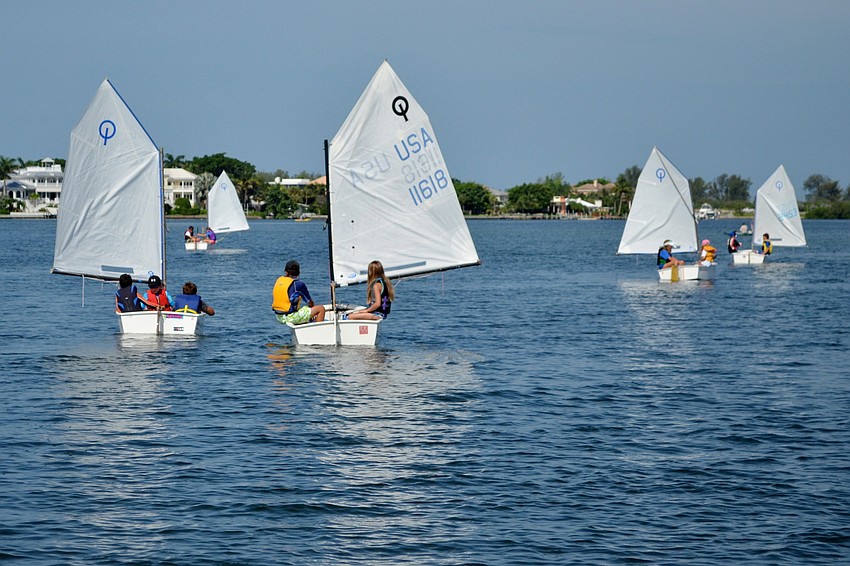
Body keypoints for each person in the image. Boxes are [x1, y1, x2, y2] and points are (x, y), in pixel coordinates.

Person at [272, 260, 325, 325]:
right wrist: (312, 311)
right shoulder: (298, 284)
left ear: (286, 272)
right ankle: (318, 331)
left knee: (302, 310)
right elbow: (310, 302)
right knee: (320, 309)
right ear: (298, 273)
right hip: (290, 317)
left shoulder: (279, 281)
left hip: (279, 316)